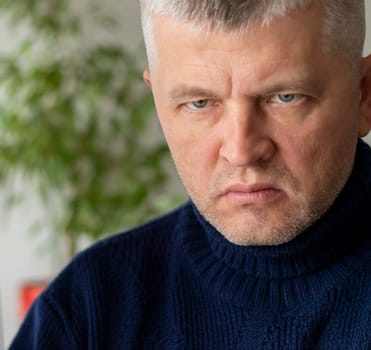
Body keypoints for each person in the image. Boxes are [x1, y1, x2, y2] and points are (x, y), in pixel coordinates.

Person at [10, 0, 371, 348]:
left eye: (286, 97)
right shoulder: (87, 310)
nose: (240, 151)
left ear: (364, 94)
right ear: (158, 103)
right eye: (199, 103)